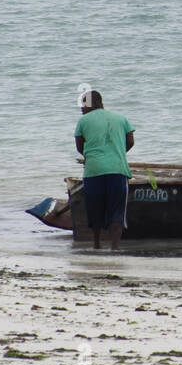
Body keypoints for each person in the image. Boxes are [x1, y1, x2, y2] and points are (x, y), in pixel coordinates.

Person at [74, 90, 135, 249]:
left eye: (84, 104)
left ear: (96, 103)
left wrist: (92, 156)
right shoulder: (121, 118)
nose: (82, 108)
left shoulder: (83, 121)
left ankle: (97, 245)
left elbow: (80, 146)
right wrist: (117, 153)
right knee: (117, 211)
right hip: (117, 170)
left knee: (95, 209)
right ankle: (114, 247)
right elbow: (130, 141)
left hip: (93, 171)